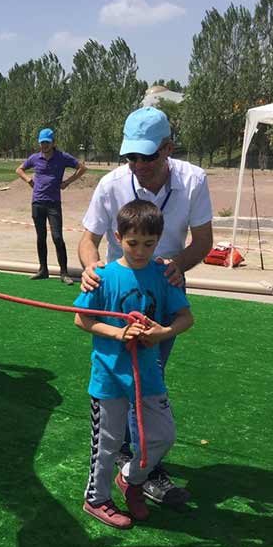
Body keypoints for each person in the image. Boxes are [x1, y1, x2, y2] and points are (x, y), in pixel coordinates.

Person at [78, 106, 213, 505]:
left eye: (146, 156)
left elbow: (203, 242)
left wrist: (175, 268)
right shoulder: (111, 183)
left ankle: (138, 467)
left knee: (149, 378)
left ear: (168, 148)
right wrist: (91, 268)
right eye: (130, 156)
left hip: (165, 292)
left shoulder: (193, 180)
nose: (137, 165)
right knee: (122, 379)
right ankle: (130, 465)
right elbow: (88, 239)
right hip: (120, 292)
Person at [74, 199, 194, 529]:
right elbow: (81, 319)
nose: (140, 251)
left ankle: (130, 480)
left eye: (148, 243)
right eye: (132, 243)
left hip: (148, 374)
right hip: (109, 375)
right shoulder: (103, 276)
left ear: (159, 240)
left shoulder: (163, 275)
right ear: (117, 237)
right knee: (107, 444)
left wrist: (162, 332)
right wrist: (117, 332)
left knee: (162, 436)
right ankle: (96, 498)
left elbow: (186, 317)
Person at [15, 128, 86, 284]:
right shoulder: (35, 158)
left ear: (53, 143)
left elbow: (82, 168)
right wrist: (28, 179)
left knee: (57, 237)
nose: (44, 146)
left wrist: (68, 182)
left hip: (53, 203)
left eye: (47, 142)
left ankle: (64, 273)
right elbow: (19, 169)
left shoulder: (62, 157)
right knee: (41, 237)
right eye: (42, 143)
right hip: (37, 202)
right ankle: (43, 270)